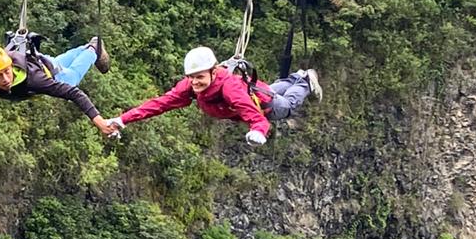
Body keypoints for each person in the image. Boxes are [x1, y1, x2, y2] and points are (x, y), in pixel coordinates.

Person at [109, 46, 322, 144]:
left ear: (213, 71)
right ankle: (297, 76)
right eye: (190, 77)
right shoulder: (190, 86)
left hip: (268, 107)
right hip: (260, 90)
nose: (194, 82)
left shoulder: (229, 88)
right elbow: (159, 104)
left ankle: (304, 80)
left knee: (289, 105)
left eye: (199, 76)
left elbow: (254, 116)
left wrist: (258, 131)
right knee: (276, 88)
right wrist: (123, 119)